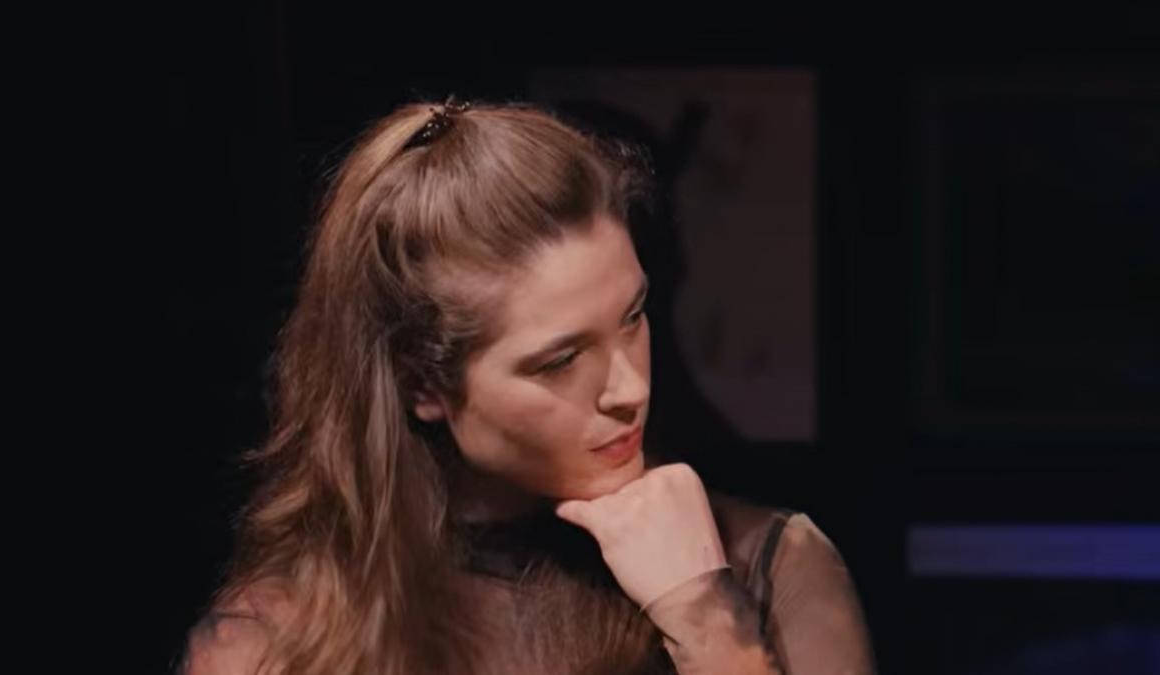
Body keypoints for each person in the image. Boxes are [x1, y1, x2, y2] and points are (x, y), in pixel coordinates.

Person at [181, 98, 875, 675]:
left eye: (632, 317)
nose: (629, 388)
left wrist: (708, 622)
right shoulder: (275, 640)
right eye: (560, 360)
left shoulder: (769, 565)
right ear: (422, 383)